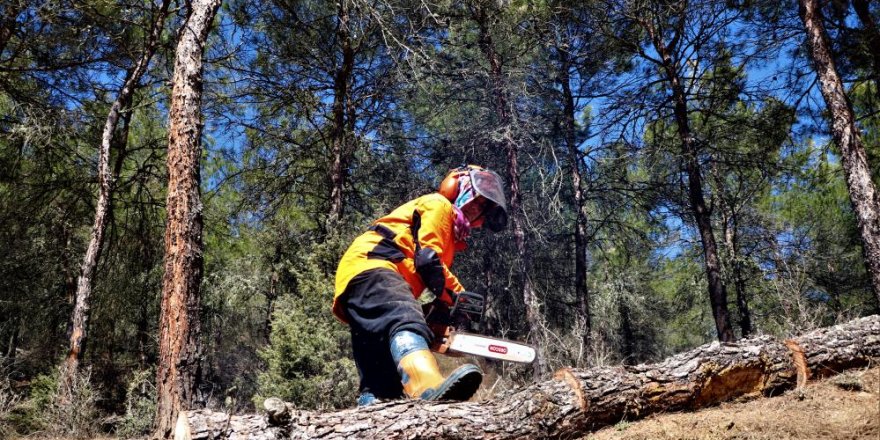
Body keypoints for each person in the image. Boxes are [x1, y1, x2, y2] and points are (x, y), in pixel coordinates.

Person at [332, 165, 508, 406]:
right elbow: (428, 260)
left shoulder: (449, 236)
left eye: (482, 212)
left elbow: (430, 272)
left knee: (380, 362)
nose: (476, 216)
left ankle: (375, 404)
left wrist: (441, 312)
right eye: (476, 203)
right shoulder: (439, 205)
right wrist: (458, 297)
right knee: (404, 319)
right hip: (375, 267)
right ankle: (426, 385)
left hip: (358, 279)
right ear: (457, 187)